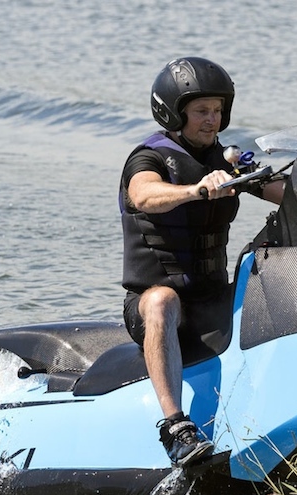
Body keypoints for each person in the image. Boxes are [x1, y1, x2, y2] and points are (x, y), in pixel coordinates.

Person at [119, 57, 284, 467]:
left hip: (213, 299)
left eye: (218, 111)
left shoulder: (227, 160)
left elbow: (282, 191)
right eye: (201, 112)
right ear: (174, 113)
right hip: (153, 307)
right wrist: (196, 190)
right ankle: (175, 427)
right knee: (161, 301)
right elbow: (143, 195)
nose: (213, 121)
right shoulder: (149, 158)